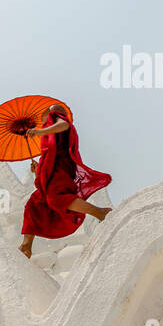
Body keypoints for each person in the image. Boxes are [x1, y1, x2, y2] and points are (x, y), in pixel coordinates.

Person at [19, 103, 112, 258]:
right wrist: (39, 169)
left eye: (43, 117)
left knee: (57, 198)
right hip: (52, 171)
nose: (41, 121)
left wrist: (40, 131)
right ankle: (26, 245)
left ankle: (99, 212)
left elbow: (63, 125)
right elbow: (49, 156)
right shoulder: (49, 131)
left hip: (61, 167)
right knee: (33, 204)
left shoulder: (55, 119)